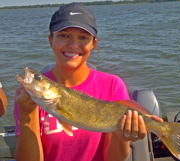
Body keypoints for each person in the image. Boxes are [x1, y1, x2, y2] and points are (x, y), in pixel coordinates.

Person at [14, 2, 162, 161]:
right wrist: (26, 112)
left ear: (93, 44)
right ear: (51, 40)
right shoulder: (26, 98)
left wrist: (123, 135)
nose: (73, 45)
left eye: (83, 38)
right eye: (63, 35)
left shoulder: (112, 85)